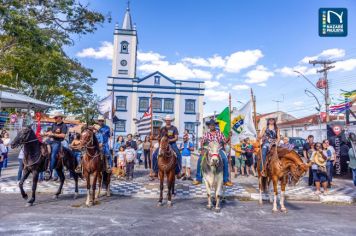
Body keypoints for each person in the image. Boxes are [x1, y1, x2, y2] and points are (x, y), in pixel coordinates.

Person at [192, 119, 233, 187]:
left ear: (215, 126)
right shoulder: (206, 134)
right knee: (200, 159)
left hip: (218, 149)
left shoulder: (219, 133)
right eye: (210, 125)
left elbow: (225, 141)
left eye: (213, 125)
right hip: (209, 150)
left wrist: (229, 136)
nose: (212, 126)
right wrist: (202, 149)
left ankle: (225, 180)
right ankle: (198, 179)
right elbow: (202, 141)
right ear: (209, 126)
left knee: (225, 160)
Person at [45, 112, 68, 181]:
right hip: (51, 141)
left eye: (56, 117)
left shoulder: (64, 125)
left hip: (58, 142)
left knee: (53, 155)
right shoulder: (53, 124)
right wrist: (46, 134)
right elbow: (51, 133)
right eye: (54, 117)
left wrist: (53, 134)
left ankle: (49, 170)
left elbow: (63, 135)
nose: (54, 119)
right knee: (41, 149)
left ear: (60, 118)